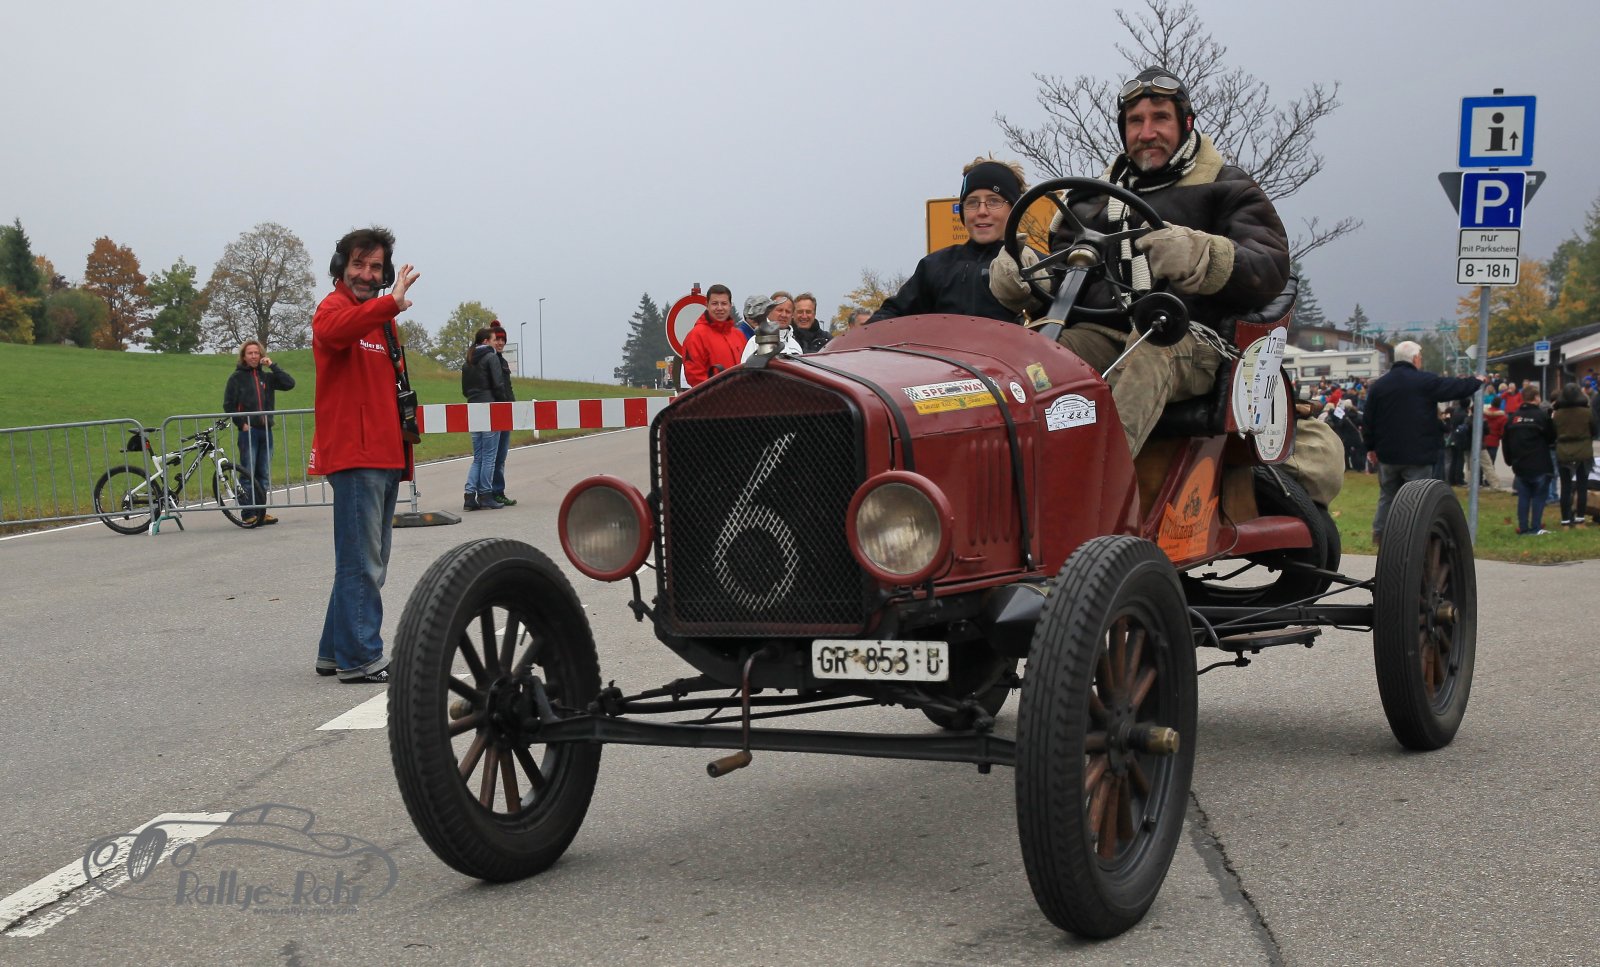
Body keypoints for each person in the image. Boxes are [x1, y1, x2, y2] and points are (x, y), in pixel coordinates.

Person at [991, 67, 1291, 457]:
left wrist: (1203, 255)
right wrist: (1030, 279)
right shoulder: (1089, 201)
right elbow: (1068, 279)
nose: (1147, 133)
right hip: (1102, 334)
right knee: (1035, 358)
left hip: (1190, 340)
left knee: (1149, 351)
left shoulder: (1228, 188)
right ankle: (1005, 471)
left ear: (1186, 123)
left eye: (1160, 118)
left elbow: (1270, 268)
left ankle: (1095, 485)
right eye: (1136, 121)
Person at [307, 226, 420, 684]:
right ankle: (360, 658)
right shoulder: (332, 309)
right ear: (342, 266)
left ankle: (333, 651)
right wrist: (389, 303)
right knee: (363, 563)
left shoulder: (382, 321)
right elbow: (334, 332)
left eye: (375, 267)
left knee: (366, 560)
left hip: (386, 453)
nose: (366, 274)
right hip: (356, 456)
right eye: (358, 264)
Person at [869, 156, 1031, 324]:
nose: (982, 211)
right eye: (972, 202)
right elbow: (891, 315)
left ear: (1014, 209)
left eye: (994, 201)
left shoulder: (1034, 266)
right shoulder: (935, 266)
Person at [1361, 341, 1487, 546]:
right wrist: (1476, 381)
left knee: (1387, 495)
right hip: (1417, 454)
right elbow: (1453, 387)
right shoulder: (1424, 381)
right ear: (1415, 359)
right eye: (1420, 356)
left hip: (1387, 453)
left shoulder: (1379, 386)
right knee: (1415, 499)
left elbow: (1368, 419)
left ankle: (1381, 535)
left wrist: (1370, 447)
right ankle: (1411, 539)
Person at [222, 339, 295, 526]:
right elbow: (228, 405)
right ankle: (248, 513)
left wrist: (272, 366)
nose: (254, 356)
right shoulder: (236, 378)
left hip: (266, 430)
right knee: (248, 473)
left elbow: (289, 383)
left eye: (257, 353)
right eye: (250, 353)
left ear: (261, 355)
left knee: (263, 474)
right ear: (244, 356)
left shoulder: (267, 377)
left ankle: (261, 513)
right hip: (249, 432)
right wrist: (241, 424)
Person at [460, 327, 509, 511]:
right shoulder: (491, 357)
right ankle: (486, 495)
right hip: (489, 408)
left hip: (473, 408)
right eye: (495, 339)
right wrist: (504, 405)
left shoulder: (468, 361)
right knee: (489, 456)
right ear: (486, 341)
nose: (497, 342)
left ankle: (469, 495)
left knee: (478, 457)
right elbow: (498, 384)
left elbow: (465, 391)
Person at [1502, 384, 1556, 535]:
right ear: (1536, 398)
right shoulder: (1541, 416)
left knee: (1523, 497)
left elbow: (1505, 441)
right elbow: (1551, 438)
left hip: (1520, 465)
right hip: (1540, 463)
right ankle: (1536, 527)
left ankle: (1523, 527)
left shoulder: (1513, 418)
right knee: (1539, 497)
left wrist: (1509, 460)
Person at [682, 283, 745, 386]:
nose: (719, 308)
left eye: (724, 303)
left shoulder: (739, 336)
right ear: (707, 305)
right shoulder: (696, 336)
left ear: (730, 305)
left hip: (741, 394)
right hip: (713, 395)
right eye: (715, 303)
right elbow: (694, 376)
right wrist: (718, 392)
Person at [1552, 382, 1595, 526]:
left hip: (1564, 451)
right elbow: (1595, 430)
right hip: (1583, 451)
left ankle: (1565, 520)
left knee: (1565, 487)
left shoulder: (1558, 414)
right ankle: (1580, 519)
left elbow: (1553, 433)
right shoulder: (1587, 412)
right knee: (1582, 487)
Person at [486, 325, 517, 506]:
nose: (500, 343)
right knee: (494, 457)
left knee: (501, 456)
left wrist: (512, 406)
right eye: (497, 339)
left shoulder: (503, 362)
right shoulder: (490, 361)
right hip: (495, 412)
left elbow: (508, 386)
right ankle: (493, 491)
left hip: (506, 411)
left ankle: (497, 490)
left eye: (503, 340)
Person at [740, 291, 797, 361]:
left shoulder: (796, 346)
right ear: (769, 311)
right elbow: (746, 367)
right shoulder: (755, 342)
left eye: (788, 311)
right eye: (779, 310)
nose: (783, 315)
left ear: (792, 315)